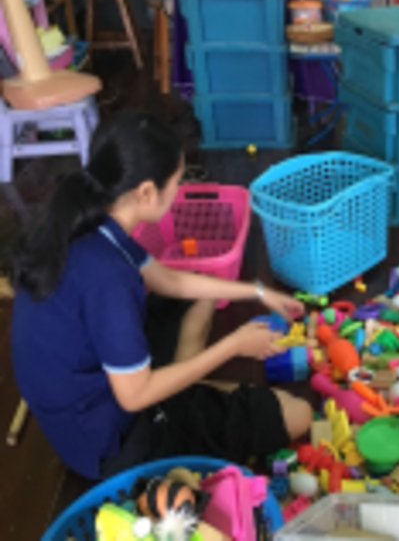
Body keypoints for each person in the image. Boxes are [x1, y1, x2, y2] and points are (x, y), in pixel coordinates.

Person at [10, 110, 312, 480]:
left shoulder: (94, 218)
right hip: (109, 441)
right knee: (298, 414)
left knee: (199, 294)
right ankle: (180, 399)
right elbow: (133, 397)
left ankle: (183, 389)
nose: (179, 189)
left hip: (86, 392)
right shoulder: (109, 280)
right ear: (146, 192)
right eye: (177, 181)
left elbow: (169, 280)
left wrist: (258, 291)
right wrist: (233, 346)